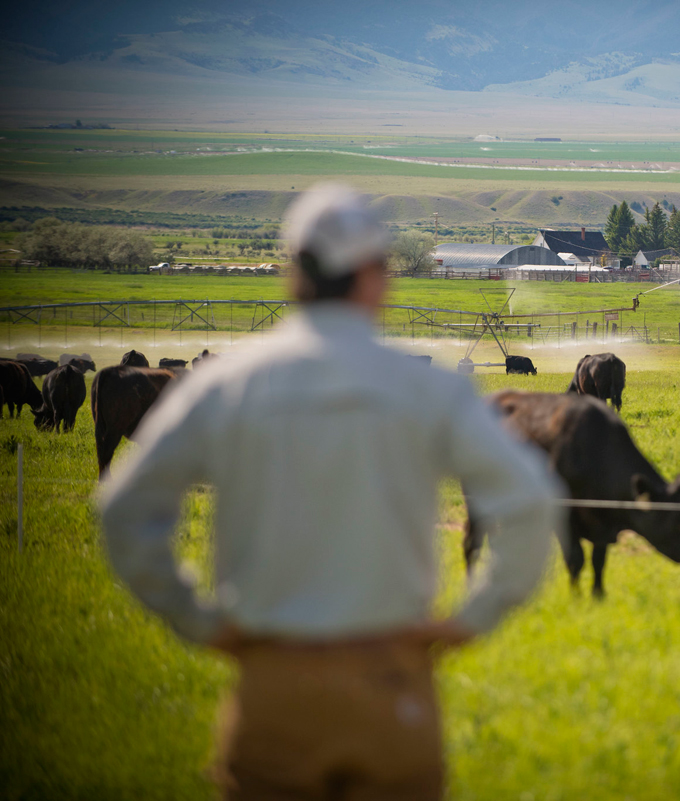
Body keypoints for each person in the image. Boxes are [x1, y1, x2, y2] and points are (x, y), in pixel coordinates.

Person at [99, 184, 561, 799]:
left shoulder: (228, 383)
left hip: (273, 682)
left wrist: (197, 620)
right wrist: (471, 619)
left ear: (294, 275)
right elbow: (531, 501)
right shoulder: (428, 391)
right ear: (375, 276)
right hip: (392, 682)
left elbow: (124, 509)